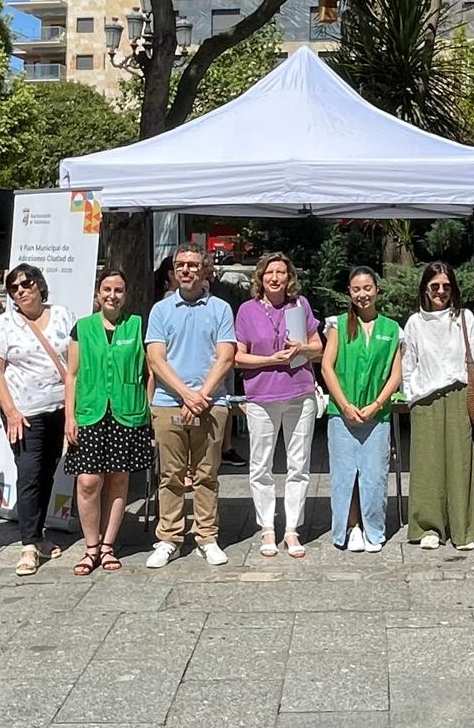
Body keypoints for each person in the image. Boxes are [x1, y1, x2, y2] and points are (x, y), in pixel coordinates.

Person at [145, 241, 237, 569]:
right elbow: (156, 358)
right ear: (174, 271)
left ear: (203, 270)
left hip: (212, 403)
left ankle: (207, 536)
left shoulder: (221, 309)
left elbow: (226, 356)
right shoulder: (161, 310)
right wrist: (186, 394)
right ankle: (169, 537)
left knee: (207, 473)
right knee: (170, 474)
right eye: (181, 265)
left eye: (193, 265)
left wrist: (201, 396)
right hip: (170, 403)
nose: (186, 270)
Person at [0, 263, 75, 576]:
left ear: (39, 284)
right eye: (14, 288)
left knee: (48, 473)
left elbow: (75, 360)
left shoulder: (64, 314)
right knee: (28, 475)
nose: (21, 290)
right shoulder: (5, 324)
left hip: (61, 409)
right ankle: (28, 545)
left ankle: (39, 535)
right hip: (24, 414)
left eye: (26, 283)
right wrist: (10, 410)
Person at [234, 253, 323, 559]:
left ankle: (292, 529)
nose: (275, 277)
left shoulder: (300, 306)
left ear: (289, 277)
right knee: (261, 465)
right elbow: (237, 356)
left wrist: (303, 349)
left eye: (281, 272)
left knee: (299, 465)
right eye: (269, 272)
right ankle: (267, 528)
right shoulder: (246, 310)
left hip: (300, 392)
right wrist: (270, 360)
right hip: (261, 395)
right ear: (261, 277)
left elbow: (319, 347)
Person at [63, 270, 152, 574]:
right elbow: (71, 375)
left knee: (118, 479)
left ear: (126, 294)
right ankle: (90, 547)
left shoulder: (137, 325)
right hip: (90, 411)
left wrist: (148, 408)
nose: (112, 295)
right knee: (88, 481)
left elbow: (148, 372)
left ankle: (108, 546)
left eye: (119, 290)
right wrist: (69, 415)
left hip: (127, 413)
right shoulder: (83, 328)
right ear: (98, 294)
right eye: (107, 289)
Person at [404, 262, 474, 550]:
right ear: (425, 289)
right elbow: (409, 366)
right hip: (426, 399)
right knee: (427, 465)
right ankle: (428, 527)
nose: (441, 291)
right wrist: (413, 395)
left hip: (459, 396)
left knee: (461, 463)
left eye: (446, 286)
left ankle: (463, 527)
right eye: (434, 286)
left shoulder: (464, 318)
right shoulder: (415, 323)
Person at [321, 266, 403, 553]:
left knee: (374, 474)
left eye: (367, 288)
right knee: (345, 475)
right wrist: (344, 404)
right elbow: (326, 366)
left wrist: (377, 404)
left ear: (377, 290)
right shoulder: (339, 325)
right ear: (349, 292)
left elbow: (396, 374)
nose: (362, 294)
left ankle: (373, 529)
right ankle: (351, 527)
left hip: (376, 414)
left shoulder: (392, 329)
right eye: (356, 289)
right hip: (342, 413)